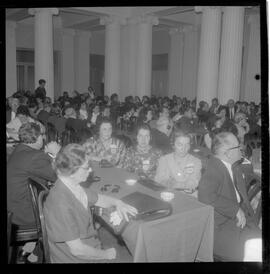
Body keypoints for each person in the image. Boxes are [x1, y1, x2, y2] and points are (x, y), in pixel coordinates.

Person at [43, 143, 138, 263]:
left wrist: (118, 202)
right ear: (73, 171)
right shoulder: (60, 203)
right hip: (74, 258)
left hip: (87, 245)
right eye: (86, 167)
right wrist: (106, 254)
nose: (90, 170)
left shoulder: (72, 185)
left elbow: (99, 199)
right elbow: (77, 250)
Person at [198, 132, 261, 261]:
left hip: (238, 221)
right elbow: (205, 195)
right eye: (238, 147)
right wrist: (235, 210)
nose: (242, 148)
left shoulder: (232, 165)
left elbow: (247, 169)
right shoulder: (214, 168)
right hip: (221, 227)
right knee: (254, 252)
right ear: (228, 153)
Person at [7, 122, 60, 230]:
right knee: (66, 206)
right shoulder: (35, 157)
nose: (44, 137)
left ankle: (30, 246)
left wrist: (46, 154)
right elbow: (58, 177)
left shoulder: (19, 149)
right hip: (25, 213)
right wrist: (56, 154)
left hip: (13, 208)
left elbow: (35, 166)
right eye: (42, 135)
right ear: (37, 137)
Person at [155, 130, 202, 197]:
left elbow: (192, 183)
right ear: (173, 145)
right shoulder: (164, 160)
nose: (184, 148)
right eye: (180, 144)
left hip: (188, 196)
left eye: (187, 144)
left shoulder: (196, 162)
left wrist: (173, 183)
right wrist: (184, 184)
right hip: (166, 194)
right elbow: (160, 181)